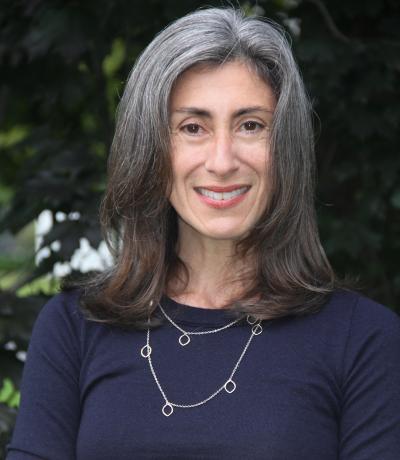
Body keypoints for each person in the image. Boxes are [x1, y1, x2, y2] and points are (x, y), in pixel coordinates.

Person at [6, 7, 400, 460]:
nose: (222, 161)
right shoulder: (73, 327)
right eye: (193, 128)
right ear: (151, 149)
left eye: (250, 125)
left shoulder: (363, 339)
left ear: (286, 148)